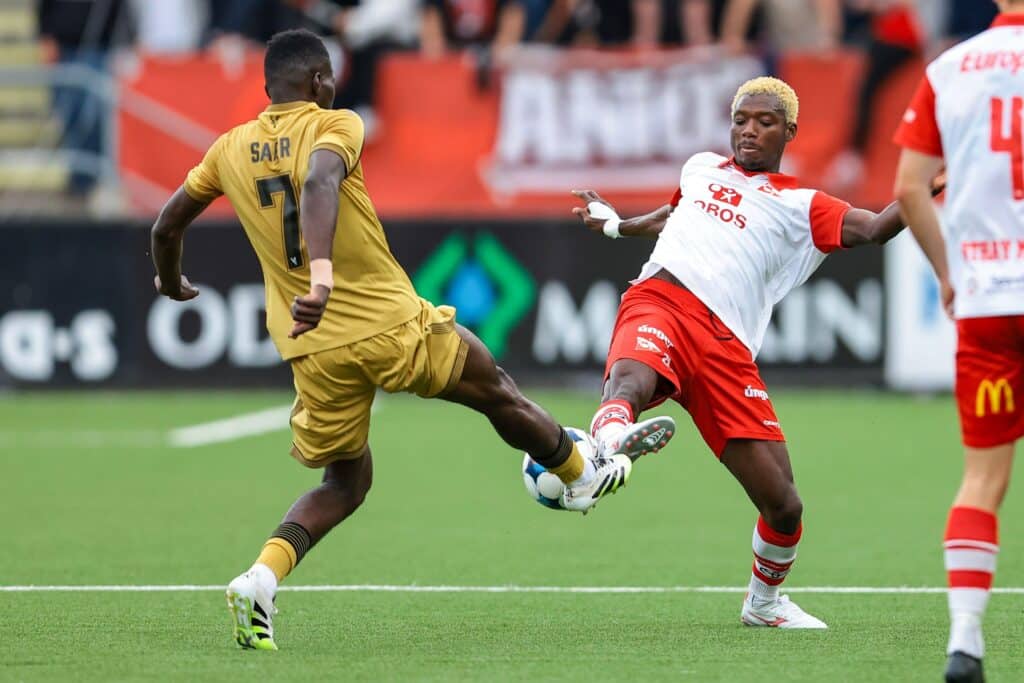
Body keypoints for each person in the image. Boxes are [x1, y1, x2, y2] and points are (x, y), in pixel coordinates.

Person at [149, 28, 640, 651]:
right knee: (496, 390)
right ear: (319, 81)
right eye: (331, 78)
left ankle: (260, 579)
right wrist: (322, 278)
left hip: (310, 347)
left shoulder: (227, 149)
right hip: (385, 323)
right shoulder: (336, 124)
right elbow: (319, 182)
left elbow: (166, 227)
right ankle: (580, 473)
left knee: (345, 484)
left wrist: (170, 280)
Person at [573, 75, 942, 628]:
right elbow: (670, 218)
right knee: (630, 380)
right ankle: (604, 450)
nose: (749, 131)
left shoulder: (802, 205)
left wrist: (929, 183)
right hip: (662, 299)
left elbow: (873, 229)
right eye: (741, 120)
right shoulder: (700, 168)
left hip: (727, 347)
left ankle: (764, 603)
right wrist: (613, 226)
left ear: (789, 131)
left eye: (765, 122)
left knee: (784, 505)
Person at [893, 3, 1024, 681]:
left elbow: (910, 188)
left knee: (981, 479)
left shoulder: (950, 68)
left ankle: (965, 641)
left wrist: (949, 272)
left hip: (988, 300)